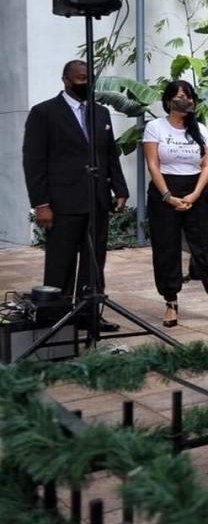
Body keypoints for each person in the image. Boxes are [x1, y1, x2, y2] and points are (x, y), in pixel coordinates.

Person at [22, 59, 129, 332]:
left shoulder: (101, 113)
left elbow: (109, 156)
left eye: (89, 78)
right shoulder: (43, 113)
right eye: (81, 79)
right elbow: (33, 162)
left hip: (97, 201)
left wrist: (120, 188)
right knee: (61, 262)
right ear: (66, 80)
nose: (86, 83)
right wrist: (41, 203)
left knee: (94, 263)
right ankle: (56, 319)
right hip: (62, 203)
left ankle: (89, 315)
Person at [144, 80, 208, 327]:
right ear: (169, 100)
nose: (186, 100)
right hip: (164, 193)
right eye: (180, 96)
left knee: (203, 247)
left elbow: (207, 165)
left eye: (189, 96)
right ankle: (171, 302)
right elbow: (153, 164)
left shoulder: (201, 129)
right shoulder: (155, 127)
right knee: (166, 249)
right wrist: (167, 196)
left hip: (195, 190)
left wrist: (194, 195)